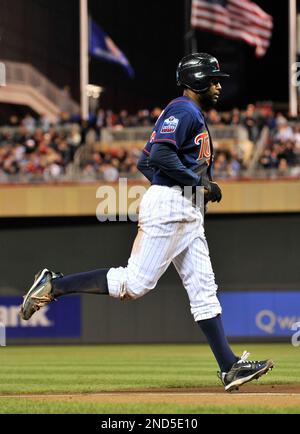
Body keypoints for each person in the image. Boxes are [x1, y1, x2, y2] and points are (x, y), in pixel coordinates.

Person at [20, 53, 274, 392]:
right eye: (212, 79)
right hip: (172, 206)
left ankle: (229, 367)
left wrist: (188, 186)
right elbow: (158, 156)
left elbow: (145, 159)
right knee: (134, 284)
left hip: (186, 212)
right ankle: (54, 285)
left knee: (204, 290)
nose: (217, 85)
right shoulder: (184, 110)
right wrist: (195, 183)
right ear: (195, 80)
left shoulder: (188, 112)